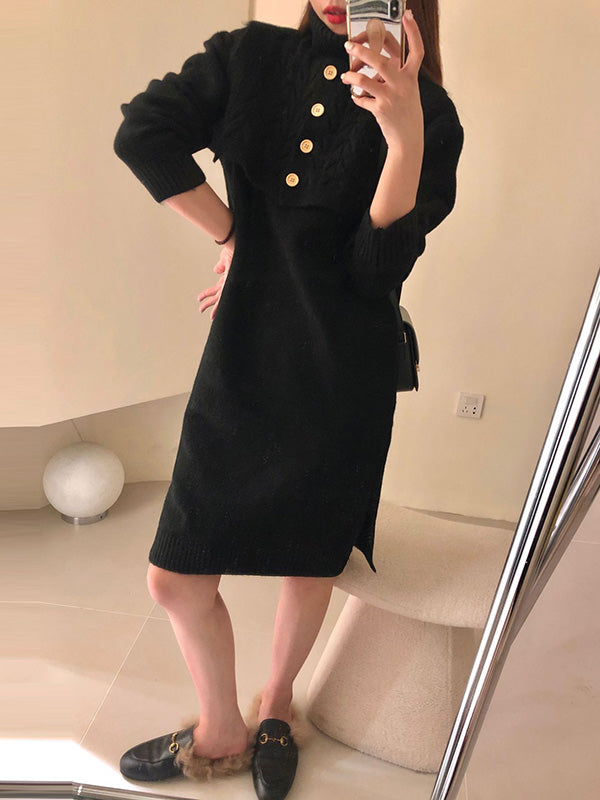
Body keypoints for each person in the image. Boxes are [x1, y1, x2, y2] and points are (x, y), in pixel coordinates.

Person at [113, 2, 464, 798]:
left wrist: (404, 137)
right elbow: (144, 133)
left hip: (346, 370)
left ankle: (276, 705)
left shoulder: (432, 114)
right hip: (244, 354)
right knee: (175, 576)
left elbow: (376, 271)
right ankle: (220, 728)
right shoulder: (249, 57)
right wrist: (233, 236)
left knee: (310, 557)